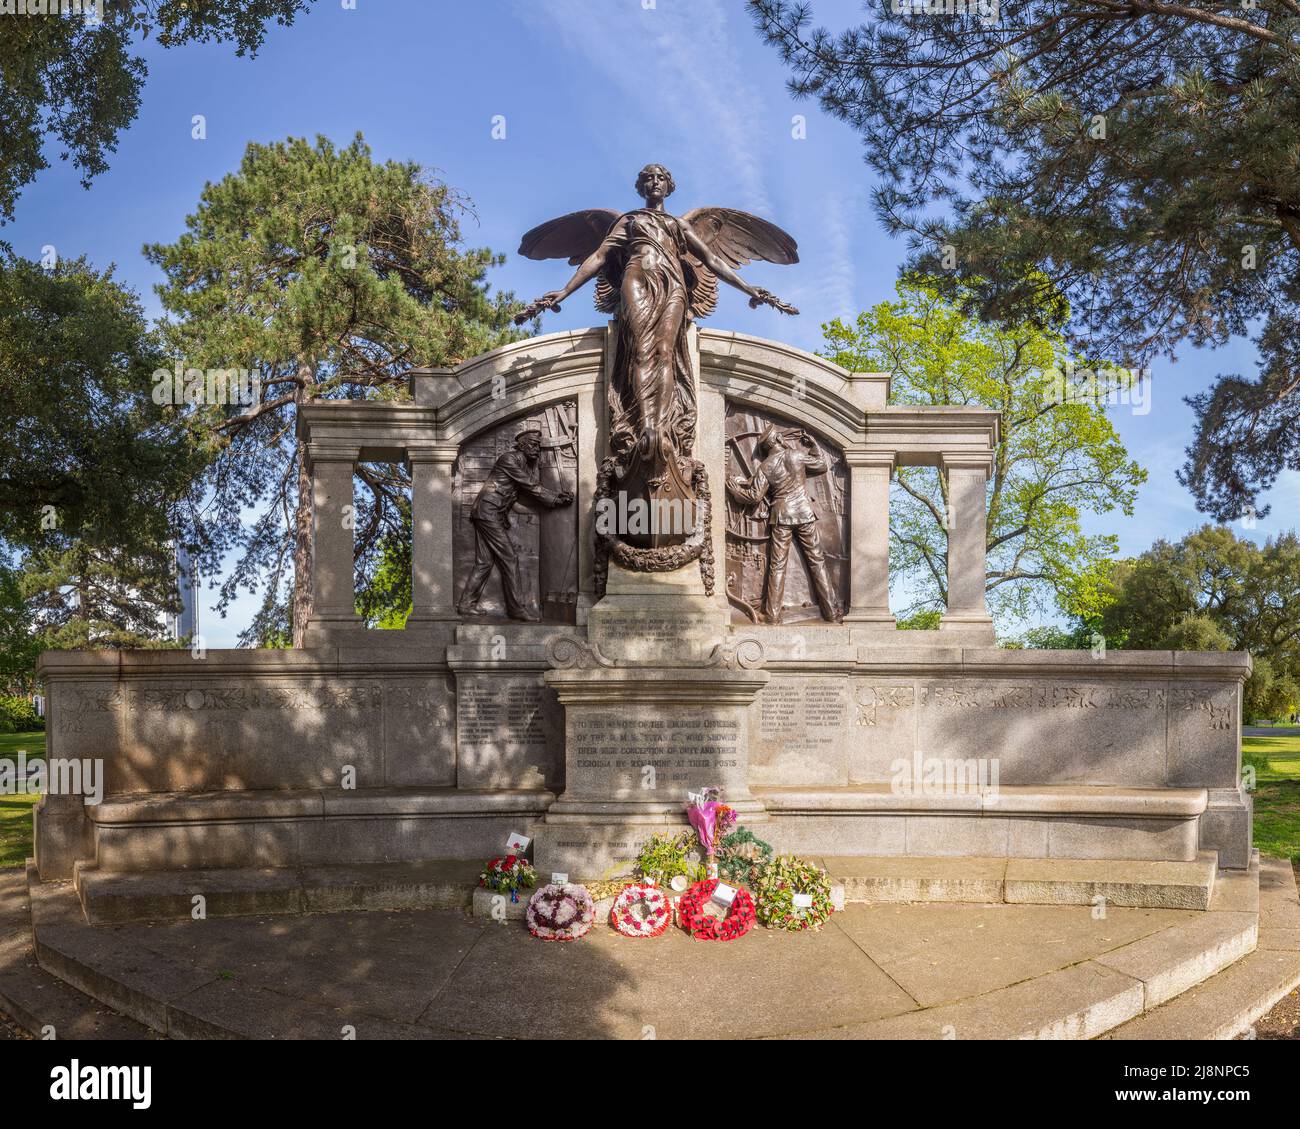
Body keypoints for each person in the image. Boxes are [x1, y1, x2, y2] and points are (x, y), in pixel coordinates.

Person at [727, 424, 842, 624]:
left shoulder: (765, 466)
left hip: (781, 516)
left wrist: (735, 490)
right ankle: (831, 611)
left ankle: (771, 615)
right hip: (804, 513)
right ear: (778, 440)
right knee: (817, 561)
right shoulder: (796, 456)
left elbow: (754, 496)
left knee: (777, 565)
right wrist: (814, 446)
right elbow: (822, 465)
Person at [456, 428, 573, 621]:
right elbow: (530, 486)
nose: (537, 449)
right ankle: (516, 608)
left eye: (539, 446)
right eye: (534, 445)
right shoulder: (509, 459)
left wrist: (557, 496)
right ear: (522, 445)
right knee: (509, 558)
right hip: (488, 512)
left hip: (487, 513)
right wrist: (554, 499)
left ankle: (466, 603)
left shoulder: (524, 464)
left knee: (484, 562)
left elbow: (526, 489)